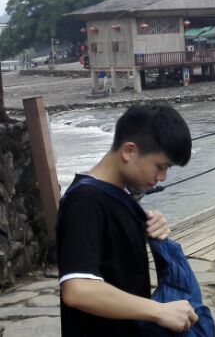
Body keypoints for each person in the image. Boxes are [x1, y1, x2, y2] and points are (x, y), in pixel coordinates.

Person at [58, 104, 200, 335]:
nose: (162, 177)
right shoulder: (85, 202)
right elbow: (78, 289)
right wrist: (158, 310)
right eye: (161, 166)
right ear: (129, 151)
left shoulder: (117, 195)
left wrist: (148, 224)